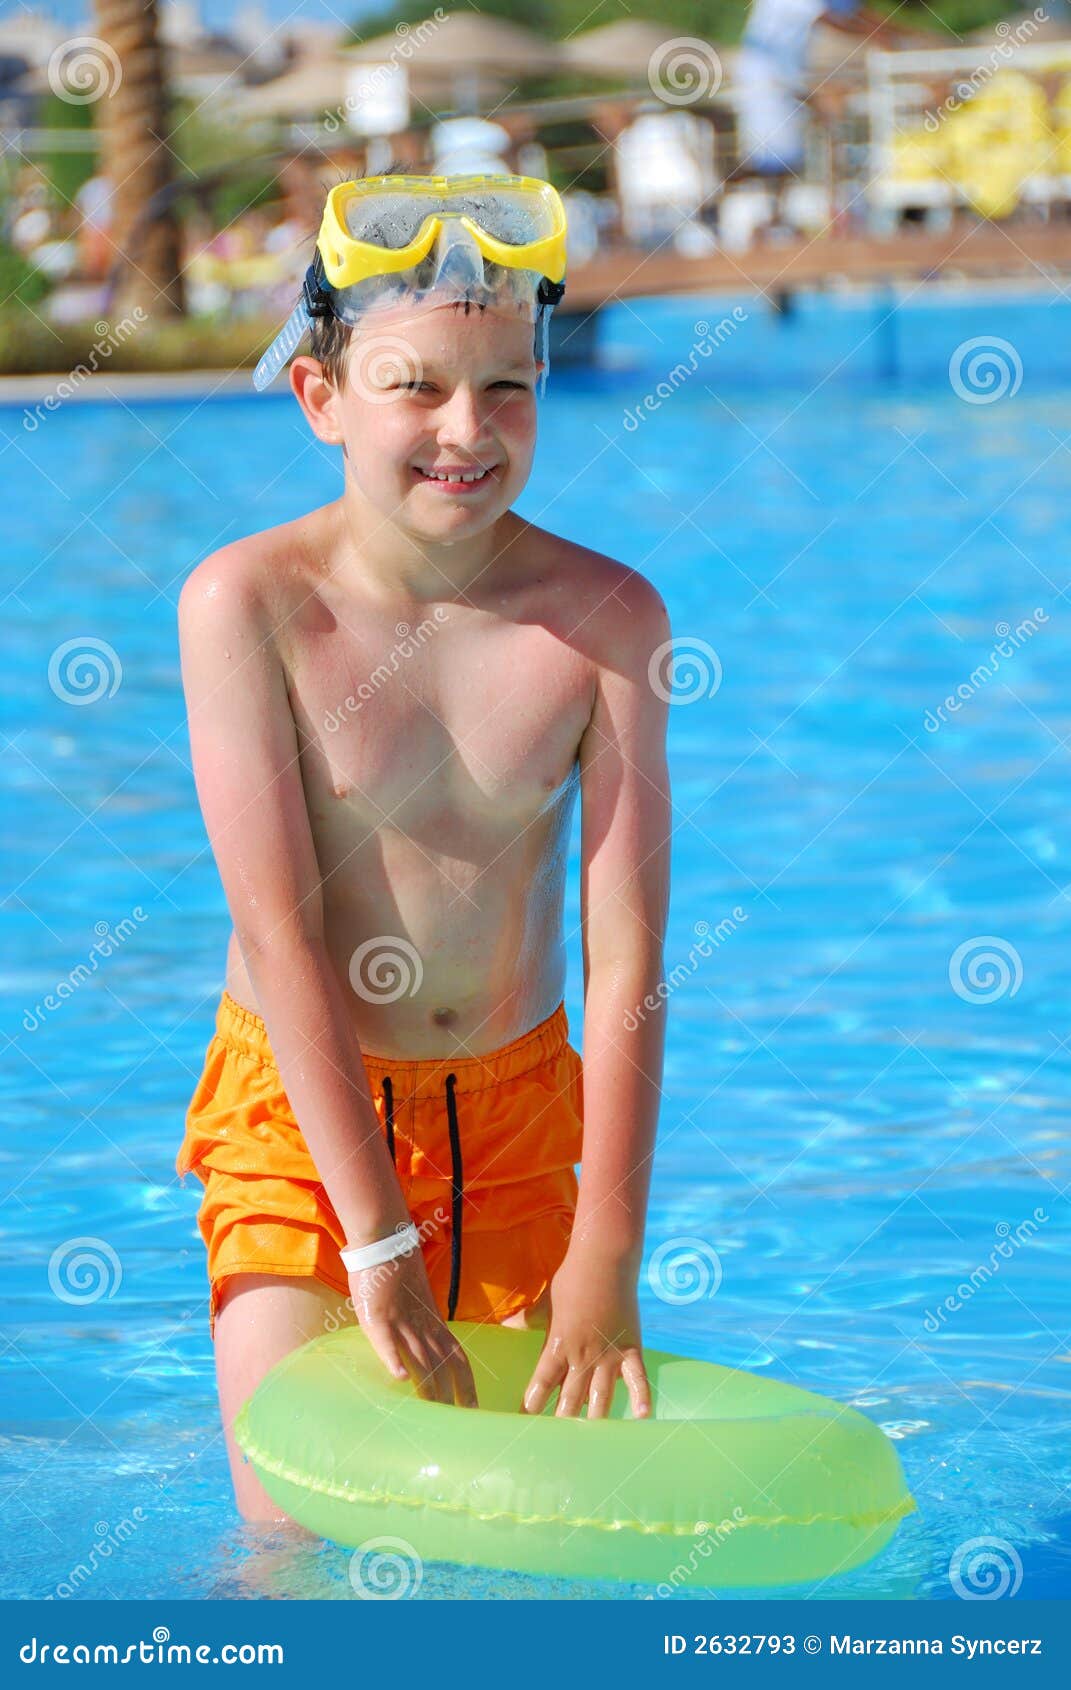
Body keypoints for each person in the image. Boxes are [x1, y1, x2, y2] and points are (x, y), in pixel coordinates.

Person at [175, 176, 672, 1521]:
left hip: (513, 1126)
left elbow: (624, 946)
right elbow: (279, 934)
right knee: (293, 1539)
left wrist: (605, 1248)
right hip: (300, 1116)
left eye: (507, 387)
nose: (467, 431)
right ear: (320, 397)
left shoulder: (605, 619)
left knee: (508, 1548)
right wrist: (377, 1236)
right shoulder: (248, 604)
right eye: (417, 388)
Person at [734, 0, 903, 179]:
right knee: (775, 152)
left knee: (796, 142)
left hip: (786, 74)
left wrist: (894, 33)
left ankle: (829, 179)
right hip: (767, 74)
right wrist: (884, 36)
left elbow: (854, 12)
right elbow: (836, 19)